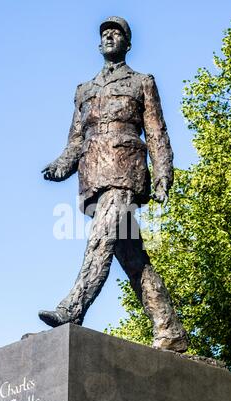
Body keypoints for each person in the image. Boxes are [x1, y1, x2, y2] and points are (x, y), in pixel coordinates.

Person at [39, 16, 188, 352]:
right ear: (98, 43)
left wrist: (163, 175)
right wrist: (60, 166)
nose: (109, 36)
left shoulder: (141, 82)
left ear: (127, 43)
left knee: (101, 238)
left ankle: (72, 308)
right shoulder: (84, 91)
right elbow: (76, 140)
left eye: (116, 32)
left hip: (125, 171)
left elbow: (156, 132)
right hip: (94, 176)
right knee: (133, 258)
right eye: (104, 33)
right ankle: (169, 328)